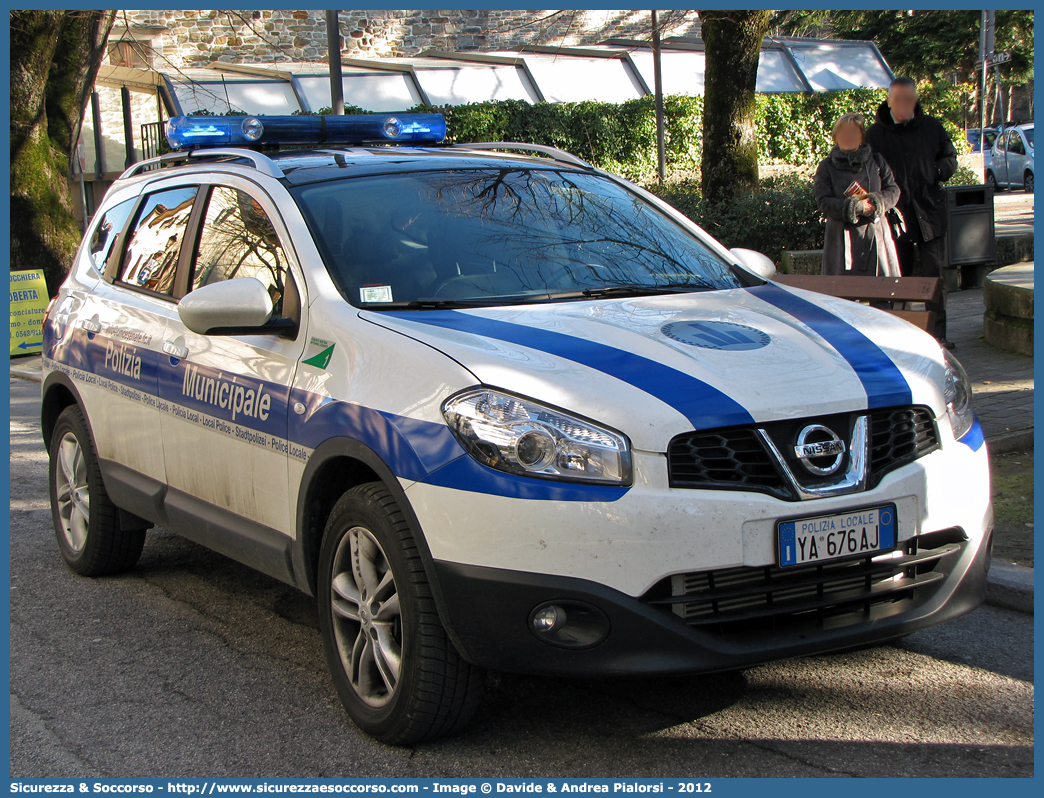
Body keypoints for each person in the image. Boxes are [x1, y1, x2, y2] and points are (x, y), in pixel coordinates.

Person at [865, 77, 958, 348]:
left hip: (929, 212)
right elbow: (869, 170)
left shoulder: (931, 127)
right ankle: (901, 333)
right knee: (897, 277)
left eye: (909, 99)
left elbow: (949, 158)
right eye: (898, 99)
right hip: (896, 215)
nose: (904, 105)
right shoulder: (875, 134)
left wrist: (937, 171)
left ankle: (937, 334)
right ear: (889, 101)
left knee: (934, 277)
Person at [814, 113, 901, 277]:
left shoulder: (877, 161)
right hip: (841, 239)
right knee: (841, 296)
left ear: (861, 136)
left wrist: (876, 202)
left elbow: (893, 190)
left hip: (876, 234)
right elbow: (823, 201)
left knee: (881, 293)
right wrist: (854, 207)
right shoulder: (826, 166)